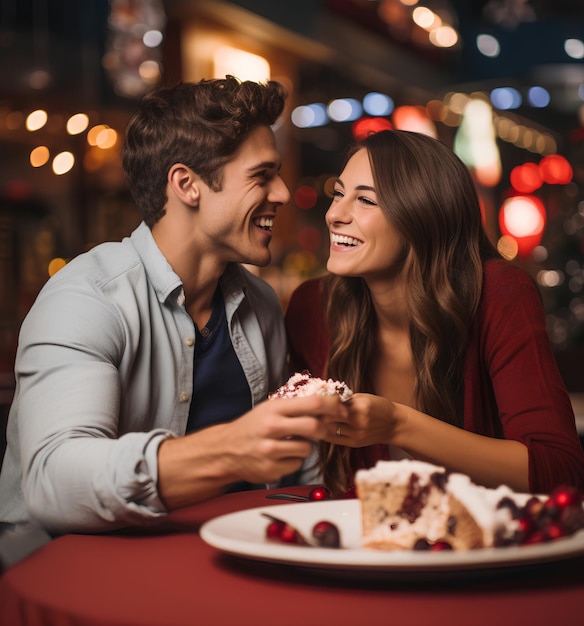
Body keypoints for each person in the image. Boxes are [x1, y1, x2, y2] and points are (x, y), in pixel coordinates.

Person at [0, 76, 347, 534]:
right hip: (74, 571)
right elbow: (55, 483)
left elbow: (294, 468)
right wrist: (227, 450)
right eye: (262, 176)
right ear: (187, 184)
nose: (283, 193)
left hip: (229, 560)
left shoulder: (259, 302)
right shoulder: (87, 297)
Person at [285, 129, 584, 497]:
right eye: (338, 193)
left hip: (487, 545)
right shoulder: (313, 308)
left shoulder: (498, 293)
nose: (334, 214)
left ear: (421, 216)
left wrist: (397, 425)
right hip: (364, 546)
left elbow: (559, 470)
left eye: (365, 200)